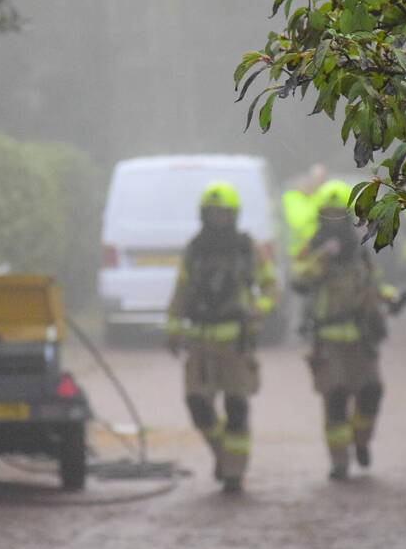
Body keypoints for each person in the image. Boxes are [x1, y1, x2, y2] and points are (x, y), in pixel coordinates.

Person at [164, 181, 278, 494]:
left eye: (223, 214)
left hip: (235, 343)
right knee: (197, 405)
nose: (218, 219)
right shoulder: (194, 249)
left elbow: (270, 286)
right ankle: (223, 454)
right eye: (212, 213)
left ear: (233, 216)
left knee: (236, 407)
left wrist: (260, 307)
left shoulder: (246, 248)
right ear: (204, 215)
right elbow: (181, 291)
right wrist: (172, 328)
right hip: (199, 341)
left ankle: (233, 474)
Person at [292, 180, 389, 481]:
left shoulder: (360, 250)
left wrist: (391, 296)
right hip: (328, 340)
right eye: (328, 215)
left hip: (361, 337)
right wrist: (322, 256)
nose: (333, 221)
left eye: (338, 215)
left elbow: (375, 283)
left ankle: (361, 442)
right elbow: (297, 279)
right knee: (334, 398)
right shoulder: (312, 246)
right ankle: (339, 462)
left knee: (372, 392)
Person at [282, 163, 328, 257]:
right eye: (316, 179)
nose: (319, 183)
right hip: (293, 252)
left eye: (322, 180)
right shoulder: (290, 198)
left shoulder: (321, 199)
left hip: (314, 251)